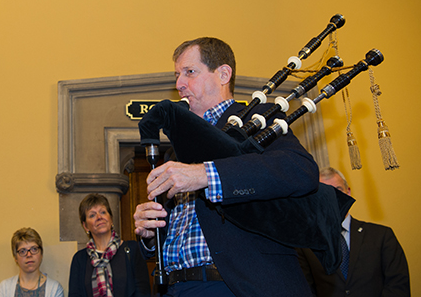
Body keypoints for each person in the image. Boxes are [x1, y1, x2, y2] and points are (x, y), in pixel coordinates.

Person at [133, 37, 319, 296]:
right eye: (177, 75)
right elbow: (181, 226)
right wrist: (151, 236)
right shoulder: (175, 150)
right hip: (175, 287)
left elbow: (300, 171)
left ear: (223, 74)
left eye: (189, 72)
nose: (179, 84)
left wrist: (206, 174)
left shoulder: (259, 118)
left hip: (236, 286)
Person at [297, 167, 410, 297]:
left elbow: (398, 286)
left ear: (348, 192)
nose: (334, 198)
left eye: (338, 190)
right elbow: (306, 291)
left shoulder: (382, 236)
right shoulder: (306, 247)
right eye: (326, 193)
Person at [69, 194, 150, 297]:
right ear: (85, 226)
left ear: (111, 219)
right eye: (92, 215)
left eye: (103, 212)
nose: (99, 217)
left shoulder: (132, 249)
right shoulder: (79, 259)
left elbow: (143, 292)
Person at [0, 227, 64, 297]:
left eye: (34, 249)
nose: (29, 255)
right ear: (15, 257)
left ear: (41, 254)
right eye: (22, 251)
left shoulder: (55, 289)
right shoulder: (5, 288)